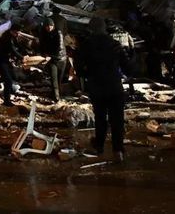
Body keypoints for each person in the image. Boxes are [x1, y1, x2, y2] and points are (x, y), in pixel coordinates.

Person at [78, 18, 130, 162]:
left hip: (97, 87)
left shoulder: (86, 45)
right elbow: (128, 66)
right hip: (115, 86)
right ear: (104, 28)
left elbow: (79, 68)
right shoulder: (115, 44)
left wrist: (88, 75)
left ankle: (100, 147)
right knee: (117, 120)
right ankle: (118, 150)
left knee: (100, 118)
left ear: (91, 29)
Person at [0, 23, 25, 106]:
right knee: (8, 80)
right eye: (17, 33)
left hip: (5, 60)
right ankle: (7, 101)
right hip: (0, 61)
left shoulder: (12, 36)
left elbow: (18, 46)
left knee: (12, 75)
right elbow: (13, 50)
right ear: (12, 31)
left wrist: (24, 53)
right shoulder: (7, 38)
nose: (18, 34)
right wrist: (22, 58)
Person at [39, 17, 67, 102]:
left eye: (50, 26)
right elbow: (42, 45)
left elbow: (59, 47)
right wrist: (43, 54)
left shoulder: (58, 33)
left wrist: (50, 55)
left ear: (53, 26)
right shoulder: (43, 33)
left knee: (58, 80)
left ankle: (55, 94)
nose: (49, 28)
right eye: (47, 26)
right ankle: (56, 98)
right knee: (53, 79)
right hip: (51, 60)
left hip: (60, 58)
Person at [108, 21, 136, 96]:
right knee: (128, 72)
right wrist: (132, 55)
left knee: (117, 73)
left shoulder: (110, 35)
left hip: (116, 55)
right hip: (125, 54)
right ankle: (131, 89)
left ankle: (119, 90)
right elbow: (132, 45)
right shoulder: (126, 34)